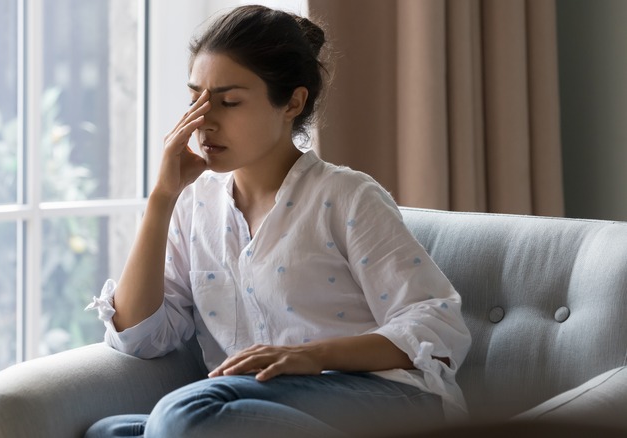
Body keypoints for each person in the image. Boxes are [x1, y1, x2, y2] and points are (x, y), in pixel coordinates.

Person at [85, 5, 471, 438]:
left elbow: (437, 326)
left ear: (292, 102)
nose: (203, 121)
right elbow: (140, 336)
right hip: (260, 407)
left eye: (228, 102)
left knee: (184, 416)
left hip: (385, 399)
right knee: (109, 432)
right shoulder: (194, 206)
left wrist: (314, 356)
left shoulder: (346, 197)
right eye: (195, 99)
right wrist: (162, 198)